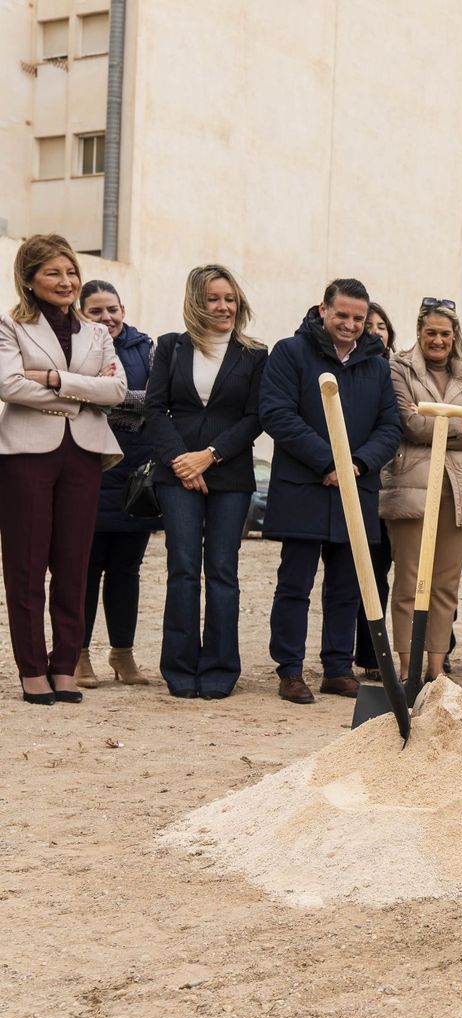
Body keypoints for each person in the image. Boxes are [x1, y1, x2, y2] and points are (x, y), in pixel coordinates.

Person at [260, 278, 402, 704]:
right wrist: (329, 461)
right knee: (295, 584)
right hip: (304, 486)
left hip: (355, 488)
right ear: (323, 310)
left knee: (347, 585)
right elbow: (277, 413)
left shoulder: (377, 364)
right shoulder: (290, 352)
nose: (351, 324)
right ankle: (289, 670)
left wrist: (355, 464)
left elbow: (389, 426)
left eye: (359, 318)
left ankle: (337, 668)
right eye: (342, 314)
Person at [0, 234, 127, 705]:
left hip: (84, 452)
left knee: (74, 565)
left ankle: (64, 666)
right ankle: (32, 669)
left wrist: (53, 379)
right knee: (27, 566)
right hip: (26, 454)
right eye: (53, 273)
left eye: (71, 271)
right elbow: (9, 385)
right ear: (30, 280)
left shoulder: (96, 332)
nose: (67, 281)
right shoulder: (9, 326)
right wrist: (83, 389)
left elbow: (117, 391)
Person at [144, 264, 268, 699]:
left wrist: (209, 457)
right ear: (196, 301)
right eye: (214, 298)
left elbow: (256, 417)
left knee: (222, 571)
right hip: (175, 473)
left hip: (230, 473)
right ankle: (178, 669)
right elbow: (155, 409)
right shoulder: (171, 347)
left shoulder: (254, 354)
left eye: (230, 298)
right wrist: (182, 462)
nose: (223, 306)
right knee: (182, 569)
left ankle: (219, 670)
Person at [380, 300, 462, 682]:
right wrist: (460, 423)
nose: (438, 340)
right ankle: (408, 669)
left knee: (445, 584)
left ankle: (436, 670)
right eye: (431, 333)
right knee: (410, 582)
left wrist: (437, 421)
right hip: (413, 486)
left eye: (445, 333)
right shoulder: (399, 367)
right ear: (419, 333)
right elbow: (409, 424)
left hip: (459, 491)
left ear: (455, 336)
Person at [76, 279, 160, 688]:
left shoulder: (149, 349)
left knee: (127, 569)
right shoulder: (75, 347)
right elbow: (70, 395)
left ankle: (122, 654)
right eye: (96, 311)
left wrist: (104, 394)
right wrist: (98, 392)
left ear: (123, 310)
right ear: (82, 314)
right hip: (87, 467)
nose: (106, 317)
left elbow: (157, 400)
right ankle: (78, 655)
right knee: (84, 570)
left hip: (135, 479)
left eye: (112, 309)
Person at [353, 302, 397, 681]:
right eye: (370, 325)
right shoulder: (357, 369)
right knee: (367, 574)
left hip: (397, 486)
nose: (376, 331)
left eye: (382, 325)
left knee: (387, 579)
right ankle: (366, 653)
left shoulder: (395, 367)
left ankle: (378, 654)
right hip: (366, 485)